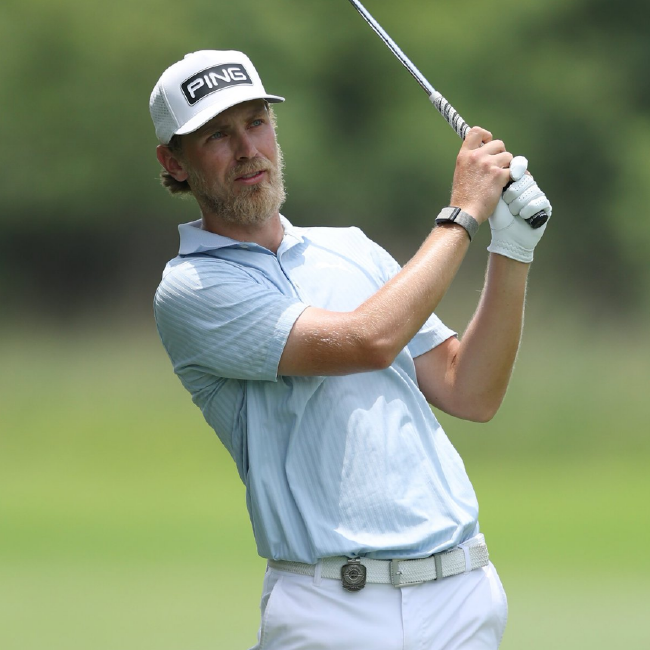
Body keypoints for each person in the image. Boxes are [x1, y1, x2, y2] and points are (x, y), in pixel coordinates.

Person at [149, 49, 552, 650]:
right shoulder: (192, 288)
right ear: (174, 163)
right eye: (218, 136)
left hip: (462, 594)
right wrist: (465, 212)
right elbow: (368, 340)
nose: (248, 149)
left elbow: (469, 390)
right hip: (331, 607)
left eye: (257, 122)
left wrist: (512, 251)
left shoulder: (352, 248)